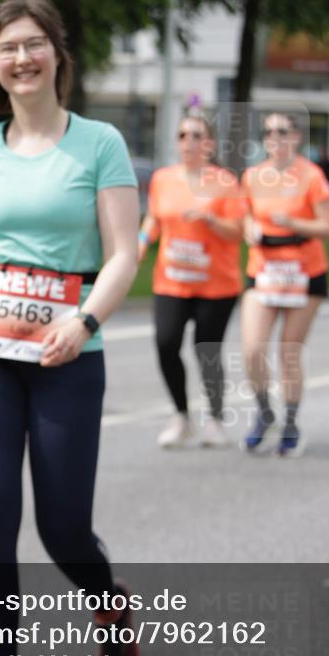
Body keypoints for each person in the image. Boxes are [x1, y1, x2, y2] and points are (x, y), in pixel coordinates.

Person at [0, 0, 140, 656]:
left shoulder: (98, 143)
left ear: (57, 52)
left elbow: (125, 253)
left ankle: (108, 603)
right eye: (5, 48)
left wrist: (82, 320)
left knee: (61, 528)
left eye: (32, 44)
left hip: (68, 355)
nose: (20, 59)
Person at [138, 113, 246, 448]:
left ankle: (214, 419)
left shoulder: (225, 182)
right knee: (166, 343)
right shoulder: (163, 179)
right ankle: (181, 416)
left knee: (206, 350)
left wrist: (211, 219)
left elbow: (239, 232)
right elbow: (153, 219)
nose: (189, 142)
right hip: (172, 280)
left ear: (210, 144)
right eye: (183, 135)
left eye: (197, 136)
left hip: (216, 285)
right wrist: (138, 248)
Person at [240, 112, 329, 457]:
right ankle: (265, 413)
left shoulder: (311, 177)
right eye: (268, 132)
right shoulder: (253, 176)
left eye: (282, 131)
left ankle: (292, 422)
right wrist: (250, 228)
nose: (274, 138)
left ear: (296, 137)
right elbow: (246, 216)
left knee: (288, 352)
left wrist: (293, 223)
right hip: (264, 270)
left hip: (304, 272)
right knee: (253, 349)